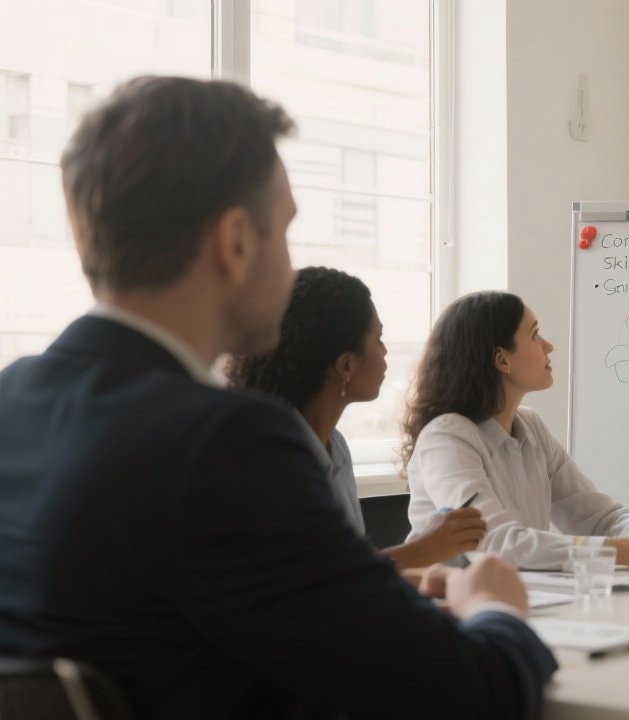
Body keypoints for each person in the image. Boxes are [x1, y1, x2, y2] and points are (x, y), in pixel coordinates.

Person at [0, 76, 555, 719]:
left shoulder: (14, 402)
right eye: (285, 231)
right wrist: (495, 608)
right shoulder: (226, 443)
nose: (291, 267)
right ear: (236, 242)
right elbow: (467, 694)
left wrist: (372, 592)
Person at [403, 291, 629, 571]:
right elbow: (495, 544)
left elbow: (596, 515)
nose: (548, 345)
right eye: (535, 335)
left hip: (522, 599)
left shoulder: (530, 426)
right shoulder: (446, 438)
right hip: (447, 612)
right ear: (501, 359)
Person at [226, 266, 486, 569]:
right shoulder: (270, 456)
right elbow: (317, 579)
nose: (386, 351)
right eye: (378, 339)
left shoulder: (335, 446)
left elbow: (351, 564)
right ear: (347, 365)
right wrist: (421, 550)